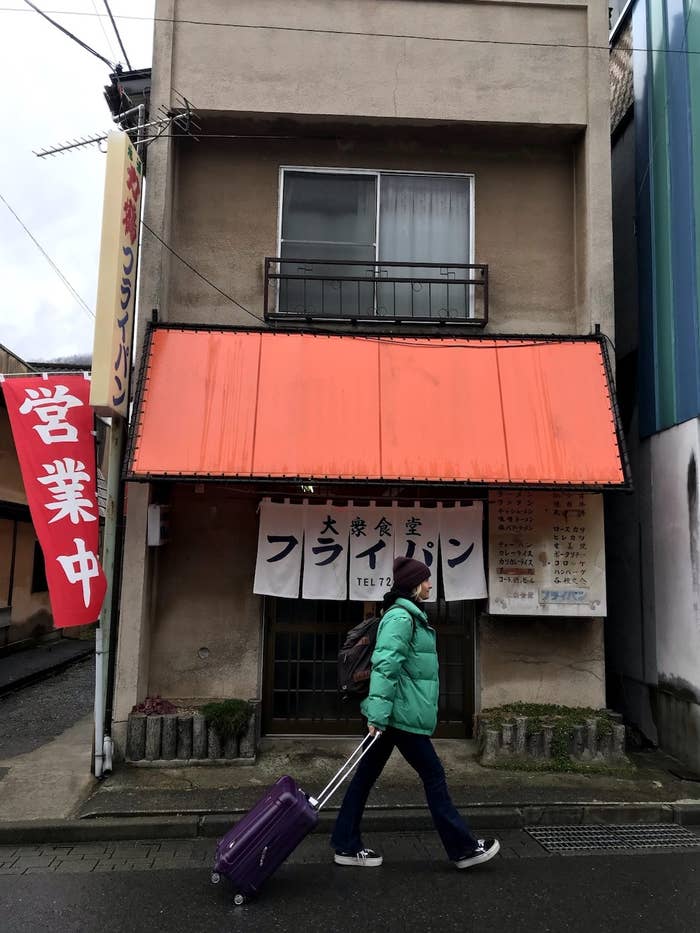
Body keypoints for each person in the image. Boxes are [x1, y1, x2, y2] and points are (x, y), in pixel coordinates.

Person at [331, 556, 500, 869]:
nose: (430, 585)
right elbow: (385, 666)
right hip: (397, 716)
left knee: (365, 777)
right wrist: (378, 716)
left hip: (394, 714)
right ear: (413, 584)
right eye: (426, 580)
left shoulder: (409, 615)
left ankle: (345, 843)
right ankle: (463, 848)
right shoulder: (401, 618)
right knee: (433, 775)